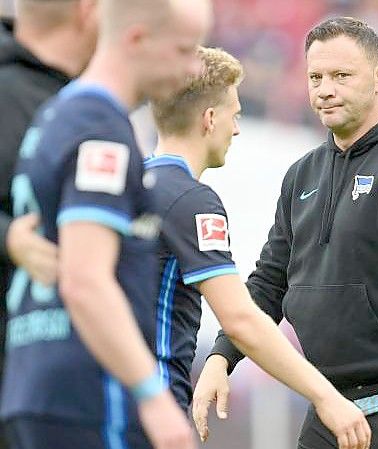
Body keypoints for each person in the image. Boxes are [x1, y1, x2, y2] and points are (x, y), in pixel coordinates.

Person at [192, 16, 378, 449]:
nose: (325, 89)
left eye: (341, 75)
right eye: (315, 77)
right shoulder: (303, 174)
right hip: (331, 406)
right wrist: (223, 355)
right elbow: (271, 281)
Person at [0, 0, 211, 448]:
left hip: (33, 378)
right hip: (86, 389)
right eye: (184, 50)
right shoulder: (99, 126)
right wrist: (153, 397)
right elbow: (86, 280)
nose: (194, 68)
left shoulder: (55, 113)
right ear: (137, 39)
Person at [146, 46, 370, 449]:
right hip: (153, 408)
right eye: (234, 115)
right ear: (209, 118)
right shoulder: (191, 200)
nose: (236, 129)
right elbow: (241, 320)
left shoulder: (130, 187)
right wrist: (326, 397)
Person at [0, 4, 98, 446]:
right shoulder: (10, 90)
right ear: (87, 11)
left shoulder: (86, 105)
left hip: (56, 386)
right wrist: (6, 237)